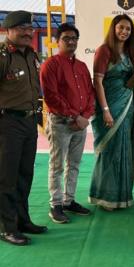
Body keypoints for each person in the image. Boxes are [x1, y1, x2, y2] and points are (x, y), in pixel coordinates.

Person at [0, 10, 47, 246]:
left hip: (29, 122)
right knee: (6, 177)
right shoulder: (2, 55)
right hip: (7, 122)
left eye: (30, 29)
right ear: (8, 30)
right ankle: (7, 227)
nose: (28, 33)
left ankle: (22, 220)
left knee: (24, 174)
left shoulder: (31, 55)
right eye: (22, 28)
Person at [40, 23, 95, 224]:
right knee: (57, 165)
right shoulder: (51, 65)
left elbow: (90, 94)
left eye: (74, 38)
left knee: (74, 164)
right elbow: (52, 97)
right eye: (66, 38)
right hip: (61, 123)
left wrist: (86, 117)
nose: (71, 42)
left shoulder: (81, 66)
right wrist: (75, 117)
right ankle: (55, 205)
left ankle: (68, 201)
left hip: (80, 124)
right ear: (57, 41)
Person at [89, 14, 134, 210]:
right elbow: (98, 82)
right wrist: (105, 111)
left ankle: (121, 196)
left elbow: (129, 79)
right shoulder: (104, 51)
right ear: (113, 29)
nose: (124, 32)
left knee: (124, 150)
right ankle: (105, 196)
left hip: (127, 107)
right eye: (121, 28)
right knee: (110, 150)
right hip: (109, 107)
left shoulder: (130, 53)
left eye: (128, 29)